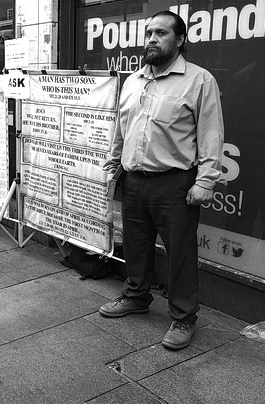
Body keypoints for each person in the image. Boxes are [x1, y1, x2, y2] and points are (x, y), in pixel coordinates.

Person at [99, 10, 224, 350]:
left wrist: (205, 181)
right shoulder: (134, 80)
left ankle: (184, 317)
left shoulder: (200, 81)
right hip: (135, 180)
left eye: (161, 33)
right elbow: (121, 129)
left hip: (175, 183)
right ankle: (137, 296)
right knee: (136, 245)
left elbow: (211, 137)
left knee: (180, 253)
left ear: (180, 40)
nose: (151, 39)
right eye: (148, 32)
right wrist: (113, 165)